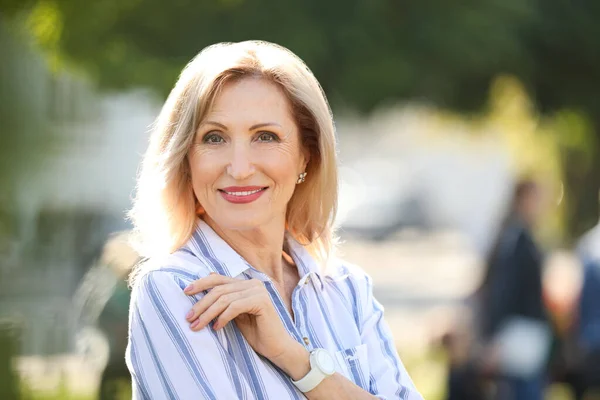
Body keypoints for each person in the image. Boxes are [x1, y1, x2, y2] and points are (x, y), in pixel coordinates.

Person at [125, 41, 422, 399]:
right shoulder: (174, 290)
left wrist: (295, 359)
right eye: (214, 138)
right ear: (186, 158)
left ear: (306, 157)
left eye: (265, 137)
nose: (239, 168)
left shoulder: (347, 290)